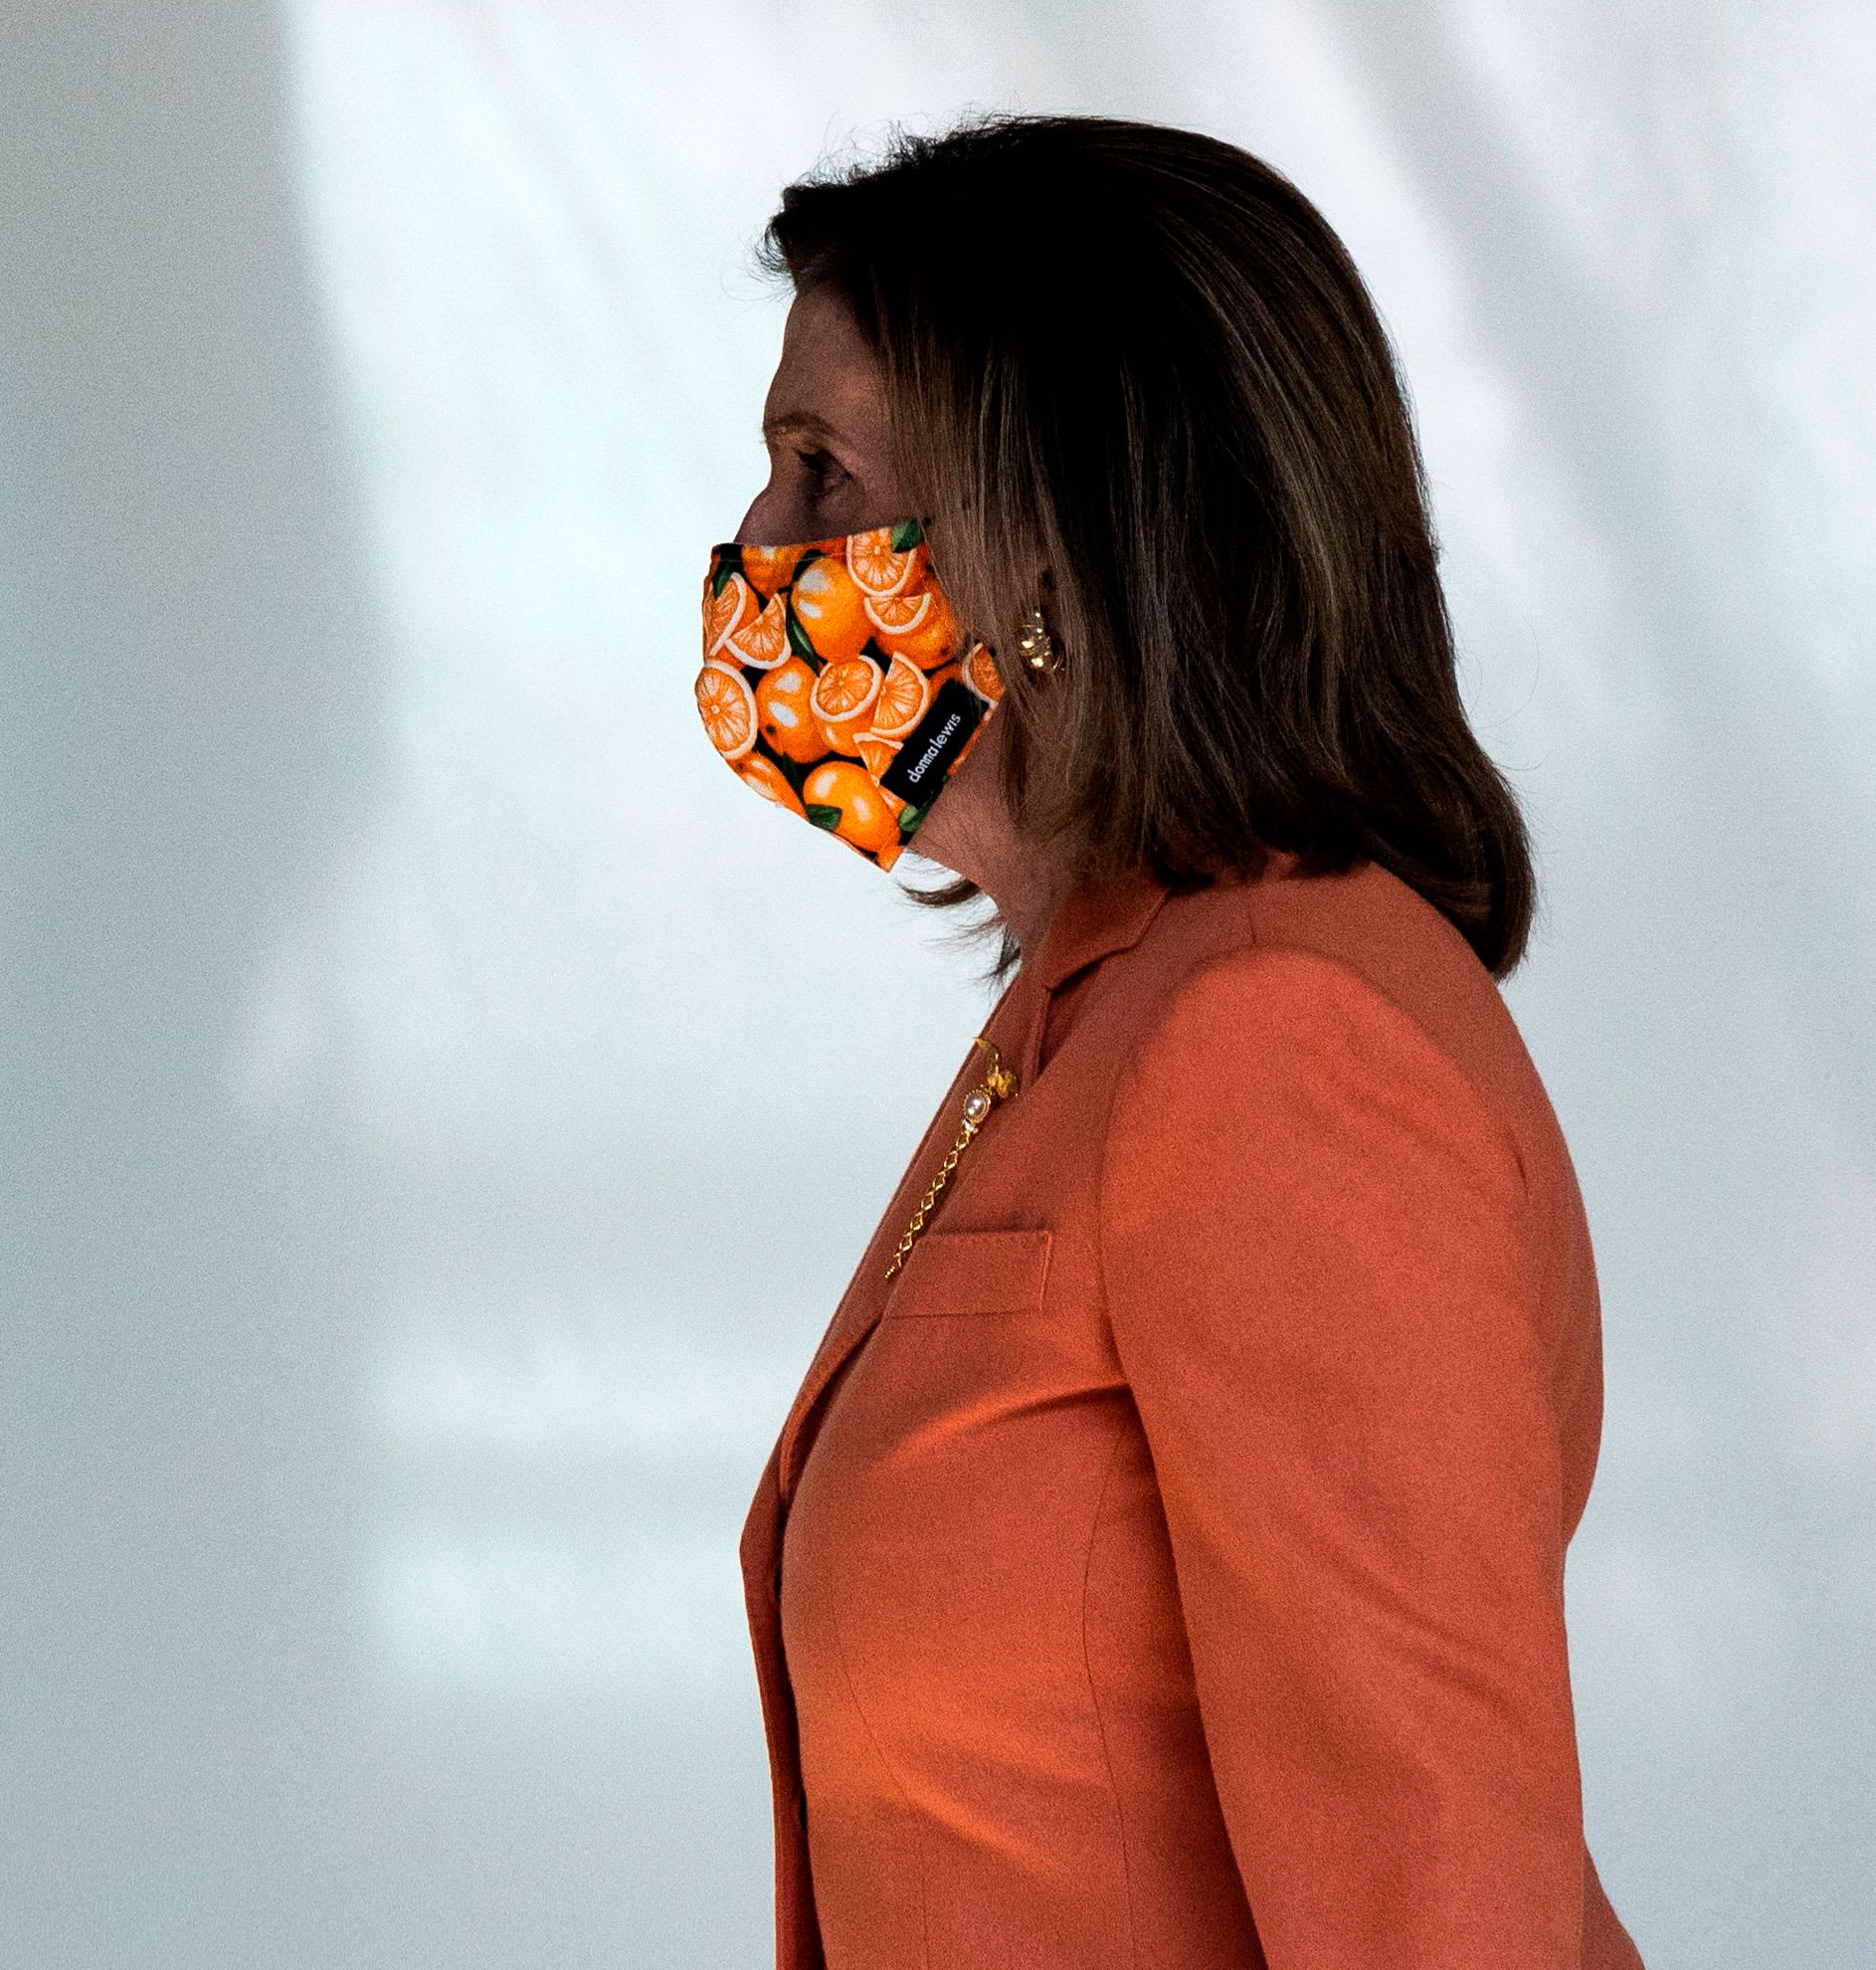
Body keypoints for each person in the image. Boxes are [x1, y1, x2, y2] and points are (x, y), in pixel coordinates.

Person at [701, 115, 1645, 1967]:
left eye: (820, 471)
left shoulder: (1271, 1039)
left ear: (1060, 544)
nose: (757, 546)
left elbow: (1434, 1896)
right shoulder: (1102, 1008)